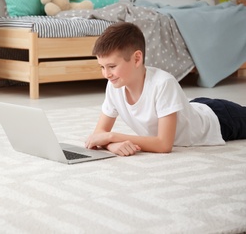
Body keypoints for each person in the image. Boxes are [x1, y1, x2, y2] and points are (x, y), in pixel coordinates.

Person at [85, 22, 246, 156]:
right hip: (191, 107)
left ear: (137, 58)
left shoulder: (163, 83)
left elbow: (164, 144)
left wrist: (113, 137)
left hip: (220, 118)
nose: (106, 74)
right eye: (102, 67)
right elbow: (98, 135)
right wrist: (112, 145)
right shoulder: (114, 86)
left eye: (112, 66)